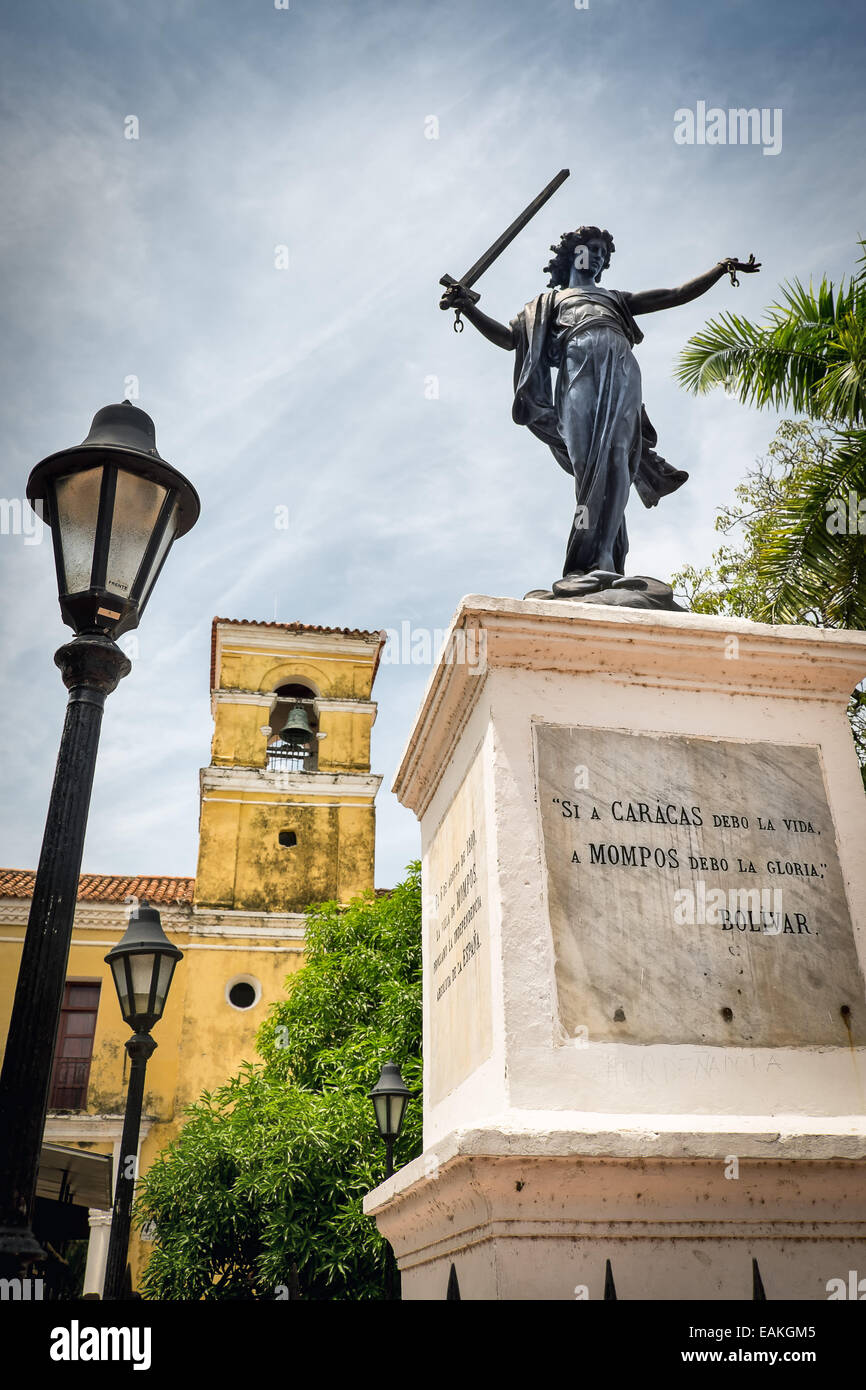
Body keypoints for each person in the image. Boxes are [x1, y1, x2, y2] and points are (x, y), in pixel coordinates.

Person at [444, 228, 760, 596]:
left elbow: (674, 295)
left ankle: (606, 559)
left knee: (615, 461)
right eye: (588, 249)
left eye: (601, 253)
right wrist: (469, 308)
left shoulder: (615, 299)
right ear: (569, 255)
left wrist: (720, 270)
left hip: (622, 371)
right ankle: (582, 562)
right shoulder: (546, 303)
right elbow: (510, 338)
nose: (595, 257)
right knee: (586, 463)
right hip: (578, 371)